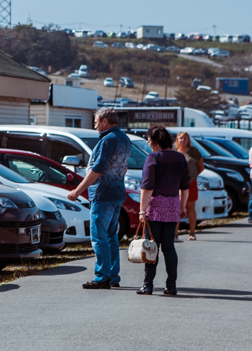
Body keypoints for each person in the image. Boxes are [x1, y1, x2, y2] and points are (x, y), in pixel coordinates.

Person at [68, 107, 133, 289]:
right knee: (111, 236)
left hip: (103, 193)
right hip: (118, 192)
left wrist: (77, 191)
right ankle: (113, 275)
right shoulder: (124, 139)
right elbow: (124, 167)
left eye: (96, 121)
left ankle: (102, 276)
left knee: (99, 236)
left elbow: (97, 169)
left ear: (105, 122)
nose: (95, 125)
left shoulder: (107, 141)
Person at [137, 126, 190, 296]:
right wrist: (182, 206)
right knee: (169, 247)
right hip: (173, 204)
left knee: (152, 247)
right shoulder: (180, 158)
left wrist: (141, 211)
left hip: (155, 207)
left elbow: (147, 187)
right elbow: (185, 186)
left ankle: (148, 285)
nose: (148, 143)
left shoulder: (153, 158)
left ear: (156, 142)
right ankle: (171, 285)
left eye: (149, 140)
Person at [175, 132, 204, 240]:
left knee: (190, 208)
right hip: (176, 185)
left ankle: (192, 233)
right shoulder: (174, 152)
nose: (183, 140)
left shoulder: (194, 152)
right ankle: (175, 233)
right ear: (177, 140)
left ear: (188, 140)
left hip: (190, 184)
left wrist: (193, 176)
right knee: (176, 208)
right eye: (180, 138)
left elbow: (201, 166)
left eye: (185, 138)